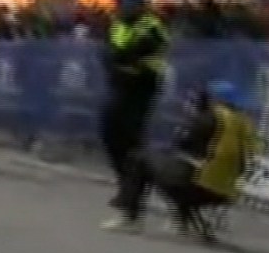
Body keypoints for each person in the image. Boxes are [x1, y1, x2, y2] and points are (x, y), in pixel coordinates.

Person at [101, 81, 257, 240]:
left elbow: (181, 145)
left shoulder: (209, 118)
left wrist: (189, 120)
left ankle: (130, 217)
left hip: (200, 188)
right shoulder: (244, 123)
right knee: (181, 169)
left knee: (140, 158)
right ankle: (183, 221)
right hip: (226, 193)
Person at [103, 0, 169, 196]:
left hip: (142, 85)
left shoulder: (151, 26)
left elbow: (139, 51)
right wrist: (114, 61)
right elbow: (108, 51)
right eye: (124, 5)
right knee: (111, 133)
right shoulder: (117, 24)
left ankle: (136, 187)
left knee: (132, 136)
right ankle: (125, 180)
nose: (126, 9)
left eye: (132, 5)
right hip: (120, 83)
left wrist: (121, 59)